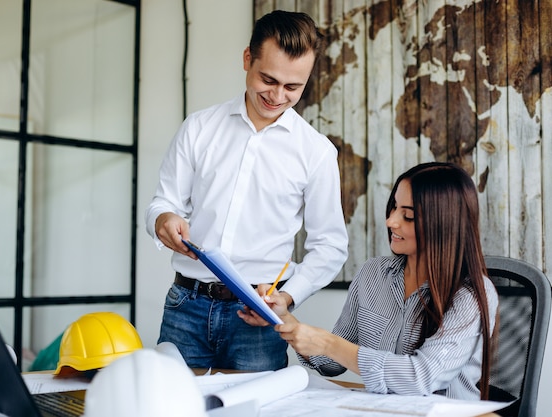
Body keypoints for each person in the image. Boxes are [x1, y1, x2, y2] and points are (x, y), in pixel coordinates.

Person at [145, 10, 349, 371]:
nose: (277, 96)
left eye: (293, 87)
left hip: (260, 316)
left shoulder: (316, 152)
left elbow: (330, 246)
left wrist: (286, 297)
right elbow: (163, 203)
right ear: (247, 59)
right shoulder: (199, 128)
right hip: (186, 307)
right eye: (268, 79)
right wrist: (163, 218)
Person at [243, 162, 498, 399]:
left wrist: (329, 344)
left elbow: (421, 377)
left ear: (444, 224)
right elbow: (331, 363)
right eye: (393, 208)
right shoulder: (373, 273)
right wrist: (285, 318)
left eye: (407, 216)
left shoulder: (472, 295)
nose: (391, 221)